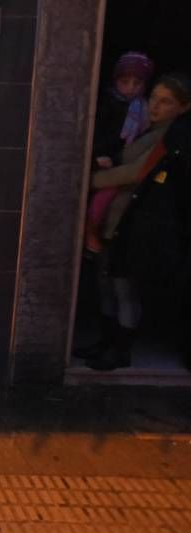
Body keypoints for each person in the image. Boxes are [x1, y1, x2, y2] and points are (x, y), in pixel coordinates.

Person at [79, 73, 191, 370]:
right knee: (105, 283)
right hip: (114, 218)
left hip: (135, 222)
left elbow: (138, 171)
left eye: (165, 101)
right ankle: (107, 341)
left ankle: (121, 349)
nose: (155, 106)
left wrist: (90, 181)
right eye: (154, 98)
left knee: (123, 286)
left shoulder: (172, 136)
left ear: (183, 107)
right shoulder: (144, 129)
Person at [85, 52, 154, 253]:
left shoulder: (143, 108)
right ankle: (90, 228)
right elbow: (97, 132)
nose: (131, 88)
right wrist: (100, 156)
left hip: (121, 160)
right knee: (107, 192)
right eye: (125, 82)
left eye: (137, 83)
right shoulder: (105, 103)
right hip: (103, 160)